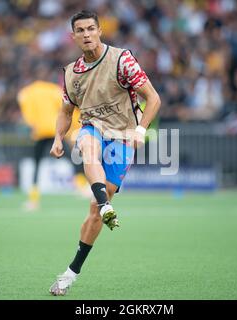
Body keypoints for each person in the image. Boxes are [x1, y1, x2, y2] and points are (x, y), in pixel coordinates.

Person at [48, 10, 161, 296]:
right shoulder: (71, 73)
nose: (86, 34)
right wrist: (58, 137)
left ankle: (72, 270)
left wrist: (141, 129)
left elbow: (153, 98)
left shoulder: (122, 60)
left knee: (94, 214)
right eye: (80, 31)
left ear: (100, 30)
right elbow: (65, 112)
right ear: (73, 37)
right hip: (92, 129)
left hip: (123, 136)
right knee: (86, 144)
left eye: (90, 29)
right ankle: (105, 204)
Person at [17, 66, 83, 210]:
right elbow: (67, 110)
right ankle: (82, 186)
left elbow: (27, 117)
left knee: (36, 164)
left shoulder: (26, 92)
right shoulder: (55, 90)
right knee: (71, 158)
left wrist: (33, 124)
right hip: (55, 131)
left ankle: (33, 200)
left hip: (40, 132)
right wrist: (75, 128)